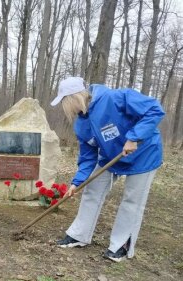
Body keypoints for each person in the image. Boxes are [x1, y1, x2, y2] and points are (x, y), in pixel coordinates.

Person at [51, 77, 165, 262]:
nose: (66, 107)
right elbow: (88, 157)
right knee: (92, 190)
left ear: (75, 98)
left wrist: (134, 137)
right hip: (110, 157)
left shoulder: (116, 98)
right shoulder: (81, 123)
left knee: (132, 200)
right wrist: (76, 182)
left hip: (143, 154)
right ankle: (79, 235)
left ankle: (120, 245)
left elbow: (154, 109)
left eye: (65, 101)